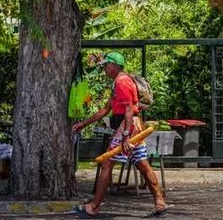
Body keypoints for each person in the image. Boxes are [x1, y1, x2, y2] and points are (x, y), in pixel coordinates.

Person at [70, 52, 167, 218]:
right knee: (142, 164)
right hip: (134, 126)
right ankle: (159, 202)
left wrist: (126, 136)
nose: (104, 69)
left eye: (106, 65)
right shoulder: (118, 83)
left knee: (107, 163)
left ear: (115, 66)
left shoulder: (122, 82)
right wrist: (83, 124)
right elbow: (105, 110)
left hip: (127, 127)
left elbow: (129, 109)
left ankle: (94, 207)